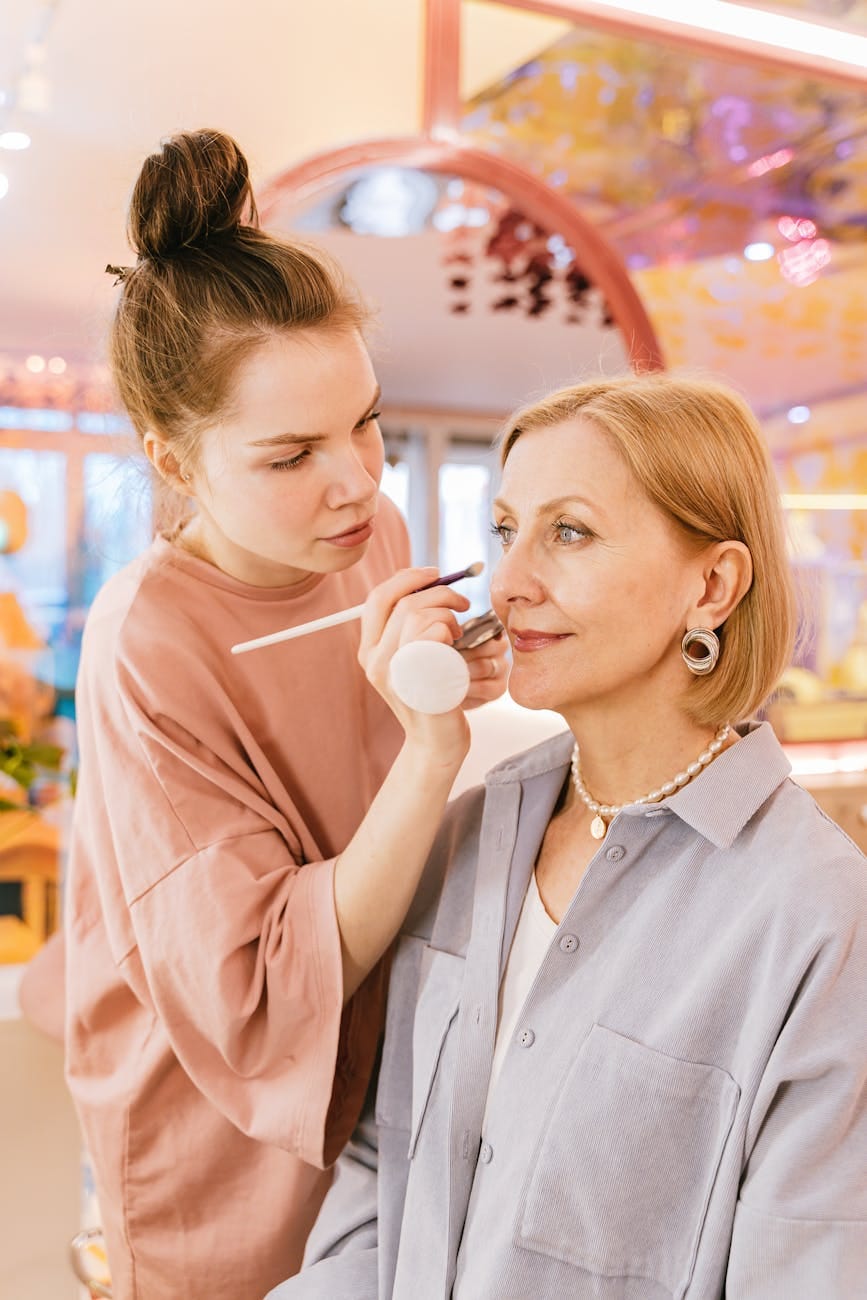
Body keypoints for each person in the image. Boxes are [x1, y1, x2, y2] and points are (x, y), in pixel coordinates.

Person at [271, 372, 867, 1300]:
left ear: (711, 585)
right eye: (505, 530)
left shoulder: (817, 917)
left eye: (570, 532)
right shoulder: (464, 839)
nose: (508, 584)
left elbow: (808, 1268)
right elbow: (382, 1167)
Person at [62, 128, 507, 1300]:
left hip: (379, 1063)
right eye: (291, 454)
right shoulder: (145, 639)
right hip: (222, 1108)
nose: (357, 480)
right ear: (173, 457)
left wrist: (460, 667)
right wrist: (430, 748)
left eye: (365, 420)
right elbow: (260, 986)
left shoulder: (377, 541)